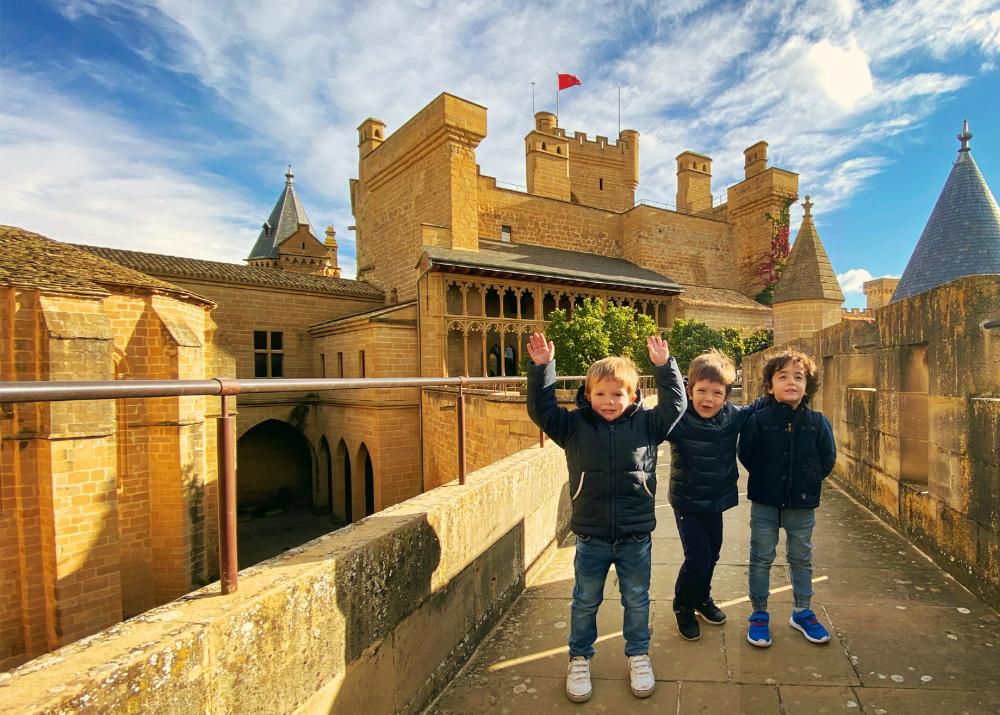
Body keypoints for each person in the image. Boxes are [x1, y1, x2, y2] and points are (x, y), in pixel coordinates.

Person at [526, 332, 686, 703]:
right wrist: (542, 368)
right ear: (587, 395)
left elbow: (676, 405)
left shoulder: (647, 424)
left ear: (633, 396)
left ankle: (638, 655)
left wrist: (664, 367)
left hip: (634, 535)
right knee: (585, 600)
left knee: (637, 599)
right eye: (600, 394)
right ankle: (580, 658)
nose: (609, 401)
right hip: (592, 535)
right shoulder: (574, 426)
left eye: (618, 394)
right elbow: (541, 410)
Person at [738, 349, 837, 648]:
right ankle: (759, 614)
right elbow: (747, 454)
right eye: (783, 377)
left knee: (801, 557)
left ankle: (802, 611)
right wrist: (769, 479)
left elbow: (827, 458)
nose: (791, 382)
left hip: (802, 504)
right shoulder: (758, 420)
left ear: (808, 385)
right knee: (761, 557)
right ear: (770, 385)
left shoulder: (818, 422)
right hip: (766, 502)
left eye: (799, 377)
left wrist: (805, 481)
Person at [666, 349, 763, 641]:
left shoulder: (732, 415)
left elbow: (756, 408)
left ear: (727, 395)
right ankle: (683, 606)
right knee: (697, 557)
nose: (708, 399)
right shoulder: (679, 419)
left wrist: (779, 391)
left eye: (716, 392)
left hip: (716, 500)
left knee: (713, 554)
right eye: (701, 391)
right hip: (687, 501)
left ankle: (701, 598)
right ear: (689, 389)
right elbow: (655, 415)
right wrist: (663, 367)